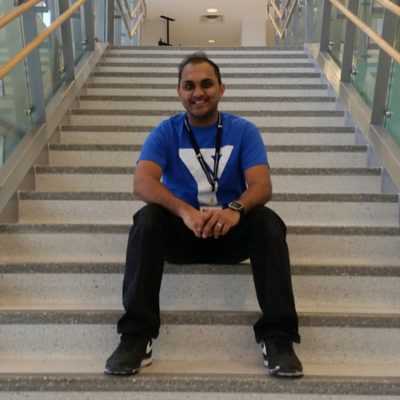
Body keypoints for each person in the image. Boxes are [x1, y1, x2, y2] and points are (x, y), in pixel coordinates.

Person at [105, 52, 303, 378]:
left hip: (230, 233)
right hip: (183, 235)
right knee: (147, 218)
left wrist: (234, 210)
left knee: (267, 220)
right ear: (179, 92)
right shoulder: (166, 132)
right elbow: (142, 182)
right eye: (189, 85)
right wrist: (185, 212)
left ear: (222, 89)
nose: (198, 92)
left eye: (206, 84)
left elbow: (262, 185)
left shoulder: (243, 131)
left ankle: (278, 339)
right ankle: (136, 338)